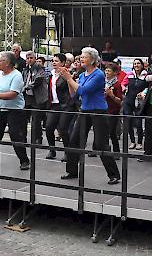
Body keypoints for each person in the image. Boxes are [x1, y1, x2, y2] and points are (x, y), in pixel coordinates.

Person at [58, 47, 121, 185]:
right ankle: (72, 170)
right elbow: (75, 94)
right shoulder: (81, 75)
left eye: (84, 57)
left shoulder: (98, 75)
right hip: (85, 110)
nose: (81, 59)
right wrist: (69, 80)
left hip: (98, 111)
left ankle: (114, 174)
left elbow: (84, 90)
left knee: (101, 144)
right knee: (74, 140)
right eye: (80, 56)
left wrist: (69, 78)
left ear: (93, 60)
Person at [44, 53, 76, 160]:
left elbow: (71, 89)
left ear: (62, 63)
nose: (53, 62)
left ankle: (68, 152)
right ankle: (52, 150)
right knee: (48, 127)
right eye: (53, 61)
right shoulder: (50, 74)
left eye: (56, 61)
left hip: (65, 105)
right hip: (53, 104)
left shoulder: (67, 74)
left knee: (63, 128)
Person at [22, 51, 48, 145]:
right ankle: (23, 137)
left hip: (37, 97)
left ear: (35, 58)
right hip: (27, 97)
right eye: (27, 58)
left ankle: (37, 138)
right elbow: (23, 80)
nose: (29, 60)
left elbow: (38, 80)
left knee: (36, 120)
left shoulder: (40, 69)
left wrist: (25, 87)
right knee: (23, 118)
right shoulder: (25, 69)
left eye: (31, 58)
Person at [121, 58, 147, 150]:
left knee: (138, 122)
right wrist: (124, 88)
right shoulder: (129, 75)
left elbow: (149, 86)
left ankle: (139, 142)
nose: (136, 65)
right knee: (128, 121)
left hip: (139, 102)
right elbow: (122, 84)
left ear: (142, 65)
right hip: (128, 100)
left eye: (138, 63)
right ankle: (132, 141)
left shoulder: (145, 75)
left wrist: (144, 92)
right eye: (135, 63)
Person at [103, 62, 123, 157]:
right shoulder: (102, 82)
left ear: (115, 73)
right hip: (103, 109)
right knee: (103, 131)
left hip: (113, 111)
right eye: (106, 70)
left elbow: (119, 101)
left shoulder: (117, 84)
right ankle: (104, 150)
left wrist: (111, 95)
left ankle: (116, 151)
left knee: (111, 132)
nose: (106, 72)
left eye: (109, 71)